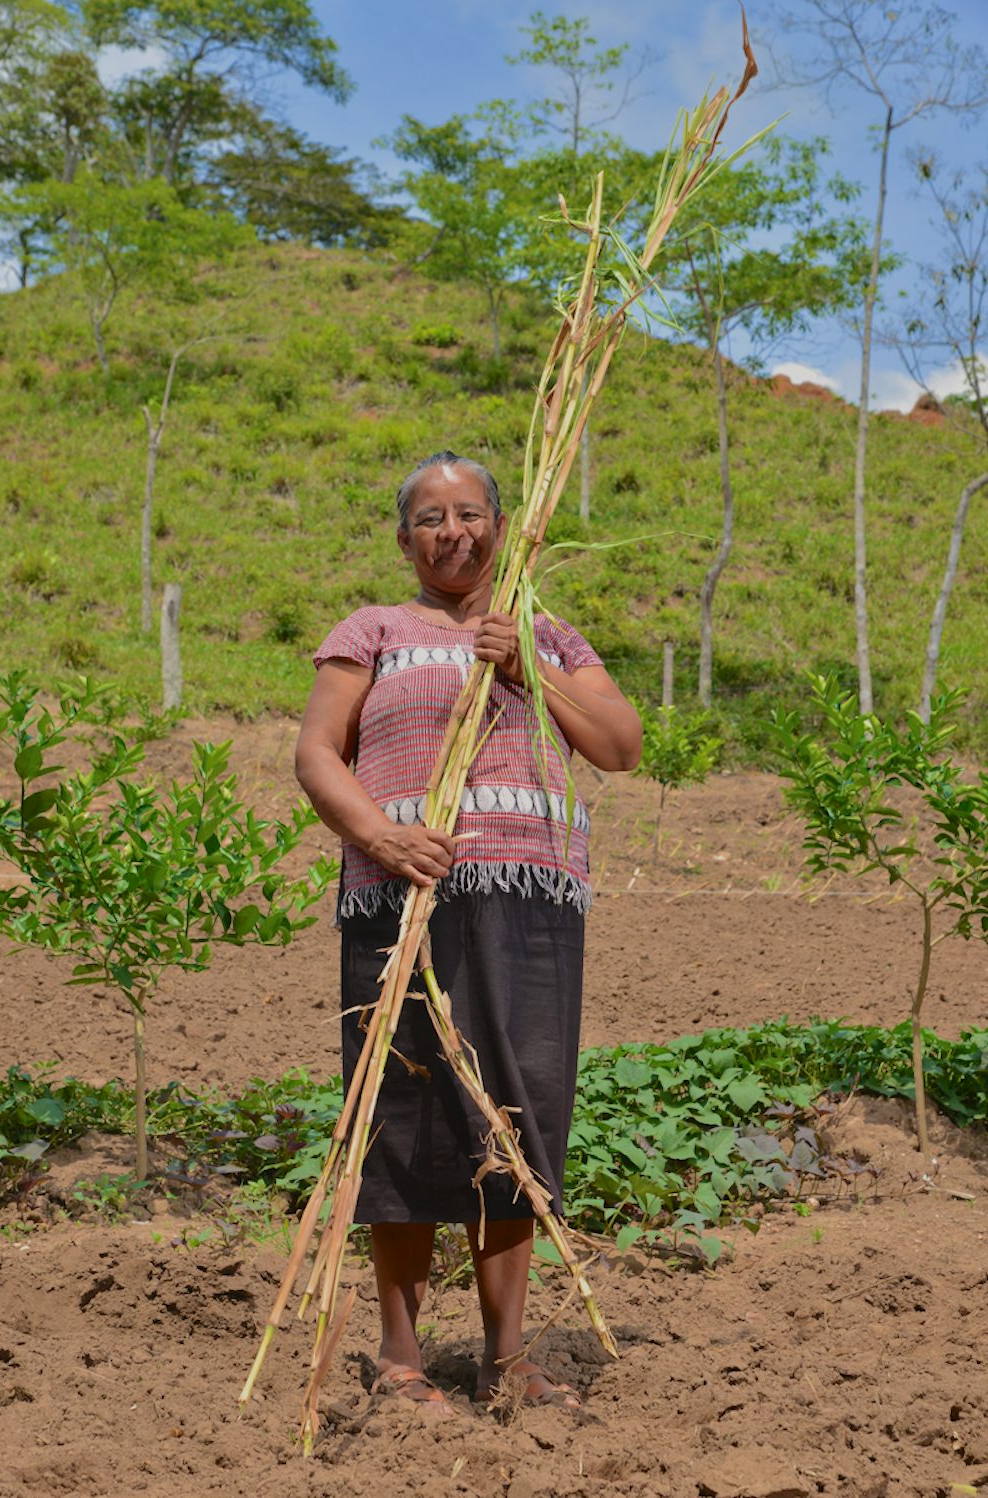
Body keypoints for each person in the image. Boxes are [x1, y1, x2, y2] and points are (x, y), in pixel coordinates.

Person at [295, 450, 641, 1417]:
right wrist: (380, 834)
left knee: (515, 1114)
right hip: (399, 898)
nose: (454, 531)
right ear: (405, 540)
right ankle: (399, 1360)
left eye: (471, 513)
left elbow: (618, 745)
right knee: (397, 1113)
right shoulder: (372, 632)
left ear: (501, 524)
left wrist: (527, 662)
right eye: (431, 518)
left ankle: (507, 1358)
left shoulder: (547, 634)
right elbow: (316, 753)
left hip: (529, 904)